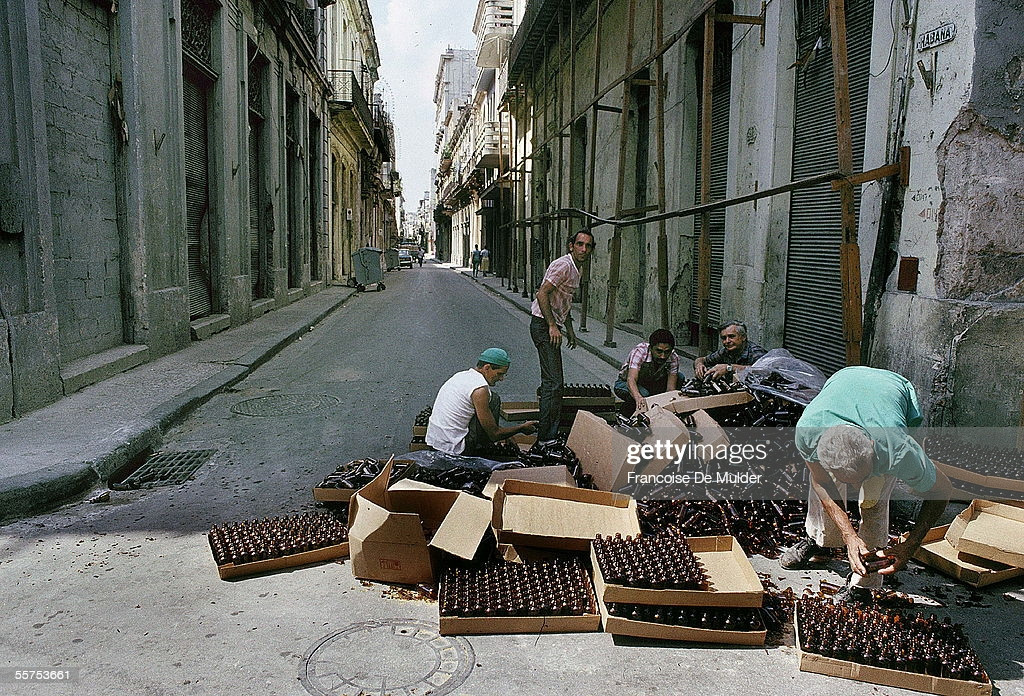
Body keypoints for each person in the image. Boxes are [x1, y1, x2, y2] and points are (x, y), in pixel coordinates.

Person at [780, 366, 953, 602]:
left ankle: (865, 584)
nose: (852, 488)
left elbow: (942, 490)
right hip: (845, 378)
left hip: (892, 389)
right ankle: (819, 539)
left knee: (873, 502)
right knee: (821, 488)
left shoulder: (897, 448)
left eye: (859, 477)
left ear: (872, 448)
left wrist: (910, 546)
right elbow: (822, 483)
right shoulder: (808, 432)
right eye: (846, 481)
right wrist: (849, 536)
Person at [530, 229, 595, 443]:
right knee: (553, 383)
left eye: (588, 246)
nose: (583, 249)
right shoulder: (564, 265)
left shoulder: (578, 269)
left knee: (554, 382)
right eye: (580, 244)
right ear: (571, 246)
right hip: (543, 325)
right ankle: (545, 438)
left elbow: (562, 302)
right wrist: (551, 325)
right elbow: (542, 293)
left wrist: (569, 330)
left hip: (552, 325)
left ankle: (549, 433)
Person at [426, 348, 538, 456]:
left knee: (489, 398)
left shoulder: (461, 375)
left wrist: (506, 433)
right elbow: (494, 434)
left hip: (434, 442)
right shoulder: (480, 389)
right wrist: (521, 428)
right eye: (499, 374)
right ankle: (481, 448)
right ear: (487, 367)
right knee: (493, 399)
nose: (501, 378)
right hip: (455, 449)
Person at [614, 329, 680, 416]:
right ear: (651, 348)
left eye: (666, 352)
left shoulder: (673, 357)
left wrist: (670, 405)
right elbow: (631, 379)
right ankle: (625, 412)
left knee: (680, 377)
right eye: (659, 351)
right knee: (643, 394)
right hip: (625, 383)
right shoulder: (640, 352)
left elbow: (671, 389)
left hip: (651, 383)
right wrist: (638, 398)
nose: (663, 356)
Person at [693, 320, 767, 380]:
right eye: (724, 338)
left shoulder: (755, 352)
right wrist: (699, 365)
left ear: (743, 337)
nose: (727, 341)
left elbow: (765, 371)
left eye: (731, 336)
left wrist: (729, 368)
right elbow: (701, 359)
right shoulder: (725, 351)